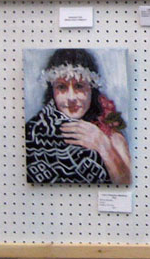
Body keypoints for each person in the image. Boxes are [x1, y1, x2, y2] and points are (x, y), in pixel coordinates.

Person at [25, 48, 131, 184]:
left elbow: (127, 182)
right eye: (62, 87)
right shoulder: (33, 133)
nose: (71, 98)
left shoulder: (111, 134)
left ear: (92, 89)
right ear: (52, 91)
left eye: (79, 86)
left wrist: (103, 145)